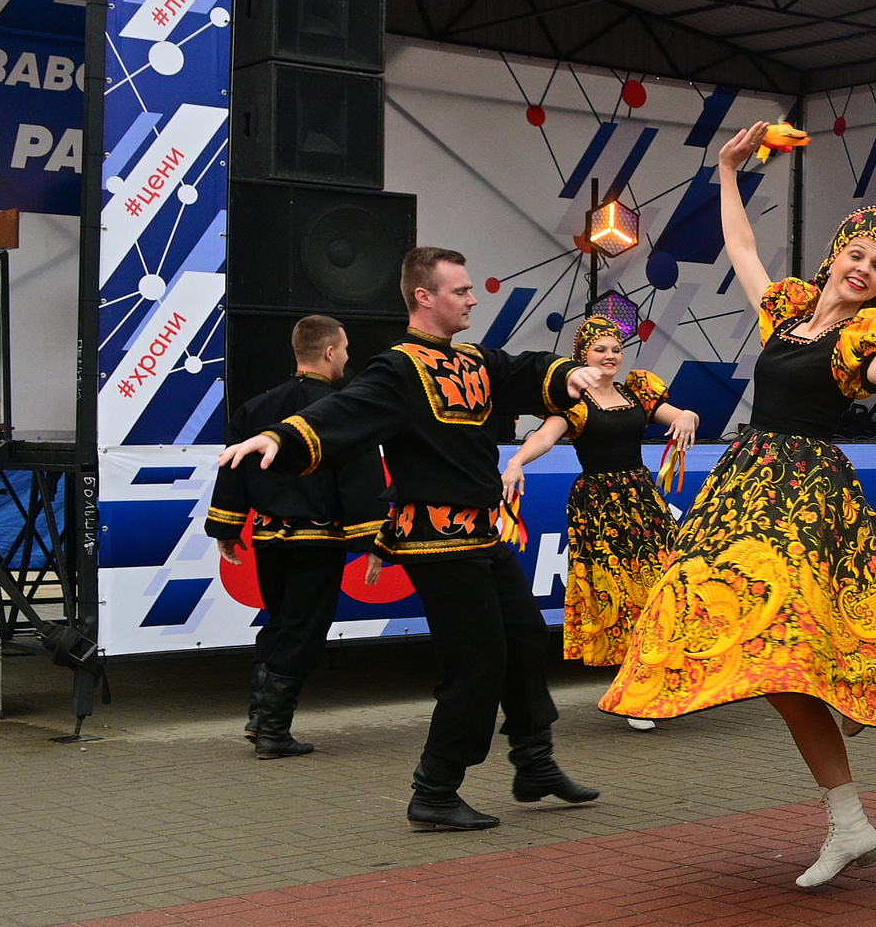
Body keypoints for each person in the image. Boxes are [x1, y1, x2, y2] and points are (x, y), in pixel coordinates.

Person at [601, 125, 876, 888]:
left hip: (805, 497)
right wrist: (727, 170)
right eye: (858, 253)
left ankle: (847, 768)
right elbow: (741, 247)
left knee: (789, 644)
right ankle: (847, 813)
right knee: (756, 644)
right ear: (835, 254)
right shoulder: (786, 314)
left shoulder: (864, 340)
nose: (865, 268)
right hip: (746, 486)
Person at [217, 249, 613, 828]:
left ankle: (534, 761)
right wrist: (281, 436)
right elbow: (343, 411)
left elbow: (526, 369)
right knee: (476, 660)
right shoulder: (397, 369)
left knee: (526, 637)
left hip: (481, 533)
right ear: (424, 297)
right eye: (461, 291)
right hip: (434, 541)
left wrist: (568, 372)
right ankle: (435, 790)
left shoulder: (475, 360)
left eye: (471, 289)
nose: (473, 299)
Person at [501, 314, 698, 729]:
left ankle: (659, 677)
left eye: (616, 349)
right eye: (600, 349)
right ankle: (633, 692)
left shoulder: (636, 391)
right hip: (598, 506)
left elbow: (680, 415)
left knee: (664, 584)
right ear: (582, 356)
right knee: (620, 594)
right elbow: (544, 437)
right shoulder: (574, 403)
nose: (610, 356)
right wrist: (516, 462)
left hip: (642, 500)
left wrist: (687, 416)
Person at [204, 314, 387, 758]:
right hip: (316, 542)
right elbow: (360, 481)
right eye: (344, 349)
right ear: (329, 352)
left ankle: (259, 718)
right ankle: (273, 732)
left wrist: (226, 528)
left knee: (281, 623)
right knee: (304, 631)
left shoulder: (256, 408)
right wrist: (372, 543)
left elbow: (233, 467)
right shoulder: (344, 411)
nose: (346, 357)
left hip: (268, 540)